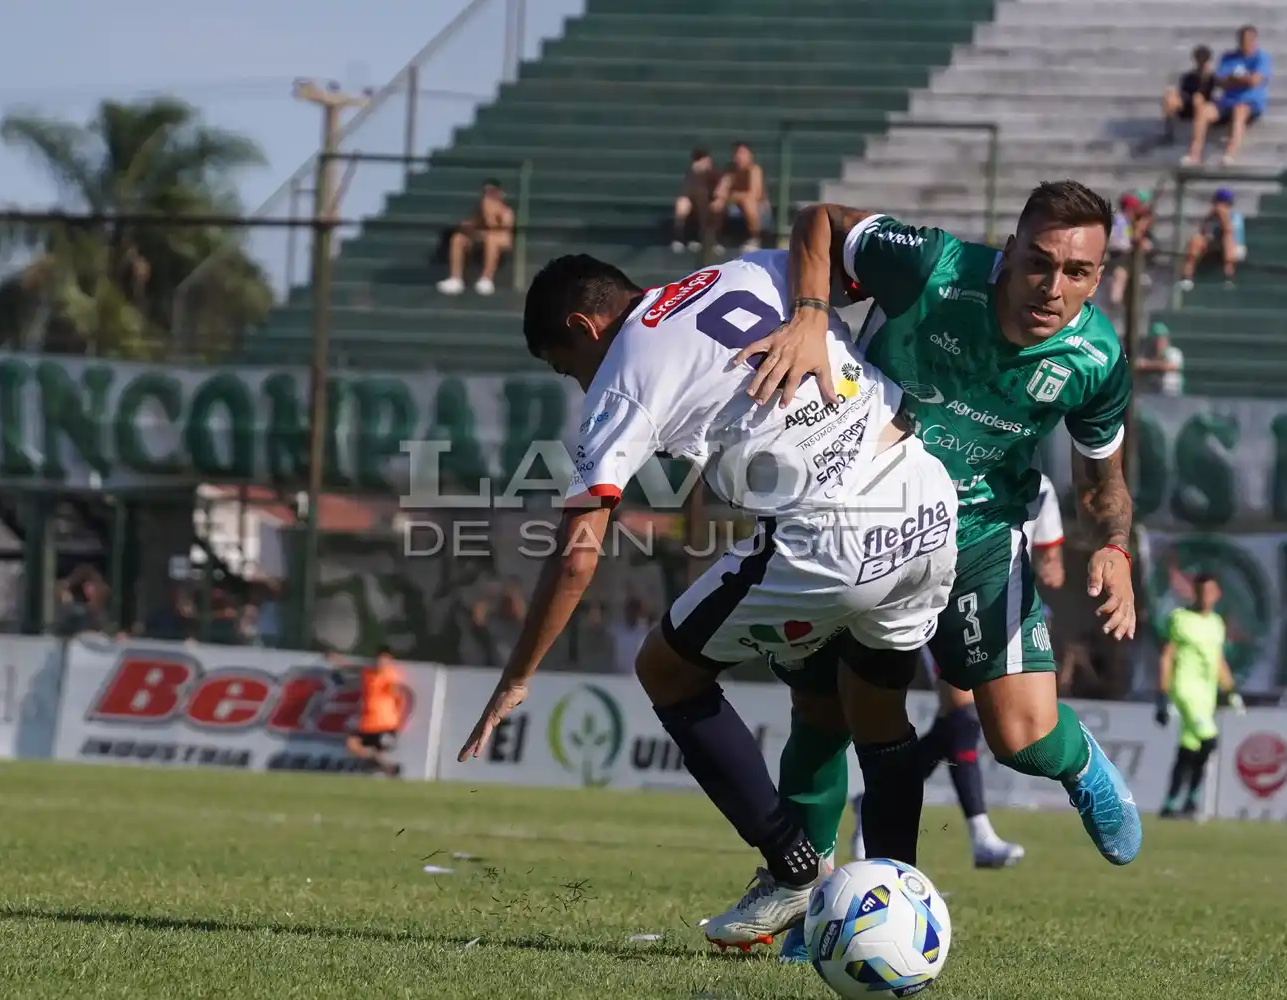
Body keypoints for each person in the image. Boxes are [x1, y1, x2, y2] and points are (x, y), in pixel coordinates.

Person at [457, 250, 960, 952]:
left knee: (666, 669)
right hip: (926, 497)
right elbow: (872, 266)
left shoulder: (626, 368)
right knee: (878, 714)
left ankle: (793, 869)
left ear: (583, 326)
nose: (582, 384)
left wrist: (517, 677)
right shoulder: (751, 270)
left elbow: (577, 554)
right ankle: (902, 909)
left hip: (830, 537)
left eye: (570, 368)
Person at [722, 182, 1141, 958]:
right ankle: (805, 900)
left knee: (1021, 737)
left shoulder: (1096, 359)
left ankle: (1080, 763)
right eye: (1039, 262)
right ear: (1009, 252)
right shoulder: (933, 268)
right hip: (854, 517)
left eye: (1077, 272)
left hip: (978, 533)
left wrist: (1114, 547)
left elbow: (1101, 481)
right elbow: (820, 219)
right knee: (822, 714)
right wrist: (811, 315)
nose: (1052, 287)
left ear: (1100, 274)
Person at [844, 473, 1064, 874]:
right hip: (941, 600)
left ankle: (875, 800)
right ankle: (981, 836)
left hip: (999, 609)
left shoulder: (1041, 487)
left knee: (956, 724)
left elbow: (1051, 557)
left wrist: (1050, 568)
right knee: (962, 714)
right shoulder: (949, 467)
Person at [1156, 573, 1244, 819]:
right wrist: (1162, 693)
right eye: (1201, 592)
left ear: (1217, 595)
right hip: (1185, 689)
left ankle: (1172, 803)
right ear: (1194, 592)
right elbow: (1167, 656)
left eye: (1209, 592)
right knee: (1210, 740)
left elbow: (1218, 660)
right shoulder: (1180, 619)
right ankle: (1192, 799)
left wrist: (1231, 690)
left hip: (1206, 695)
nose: (1205, 597)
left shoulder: (1216, 623)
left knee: (1189, 748)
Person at [1184, 26, 1271, 166]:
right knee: (1204, 110)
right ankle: (1194, 153)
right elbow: (1220, 81)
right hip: (1227, 102)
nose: (1245, 43)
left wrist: (1234, 80)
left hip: (1250, 103)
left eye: (1248, 40)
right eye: (1242, 40)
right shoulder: (1228, 57)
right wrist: (1242, 80)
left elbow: (1255, 81)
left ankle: (1229, 154)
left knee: (1240, 110)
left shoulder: (1261, 58)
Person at [436, 179, 515, 296]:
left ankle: (486, 279)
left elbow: (503, 228)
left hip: (499, 239)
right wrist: (469, 226)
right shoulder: (478, 211)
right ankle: (455, 279)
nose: (488, 195)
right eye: (486, 192)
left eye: (492, 192)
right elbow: (471, 226)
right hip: (480, 237)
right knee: (458, 239)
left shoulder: (505, 210)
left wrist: (490, 214)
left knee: (491, 239)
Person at [342, 648, 407, 777]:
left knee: (372, 752)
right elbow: (353, 668)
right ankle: (389, 768)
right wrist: (338, 661)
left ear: (389, 661)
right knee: (353, 745)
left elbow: (399, 697)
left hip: (384, 722)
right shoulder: (368, 673)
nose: (380, 663)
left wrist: (399, 719)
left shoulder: (390, 676)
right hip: (368, 722)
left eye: (384, 660)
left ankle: (387, 768)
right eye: (378, 660)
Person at [1177, 187, 1245, 292]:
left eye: (1223, 203)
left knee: (1226, 238)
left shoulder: (1234, 216)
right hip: (1216, 247)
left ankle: (1228, 276)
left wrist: (1222, 214)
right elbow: (1204, 233)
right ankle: (1187, 278)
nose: (1219, 206)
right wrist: (1210, 217)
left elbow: (1229, 231)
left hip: (1234, 248)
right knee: (1195, 240)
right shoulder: (1212, 217)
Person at [712, 141, 769, 253]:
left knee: (747, 202)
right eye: (736, 153)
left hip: (758, 209)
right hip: (733, 206)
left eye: (742, 153)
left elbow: (753, 194)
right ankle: (716, 239)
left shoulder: (754, 170)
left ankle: (754, 239)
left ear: (750, 156)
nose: (739, 157)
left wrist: (732, 196)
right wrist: (723, 191)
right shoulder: (730, 171)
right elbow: (719, 192)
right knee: (717, 204)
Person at [1161, 45, 1216, 144]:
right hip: (1188, 105)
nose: (1201, 62)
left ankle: (1198, 138)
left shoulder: (1213, 78)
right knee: (1170, 95)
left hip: (1205, 109)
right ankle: (1168, 132)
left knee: (1198, 99)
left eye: (1204, 59)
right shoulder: (1188, 77)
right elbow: (1184, 93)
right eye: (1199, 58)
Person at [672, 148, 721, 253]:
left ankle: (712, 240)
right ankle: (679, 238)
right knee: (682, 204)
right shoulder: (690, 176)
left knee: (713, 205)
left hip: (708, 205)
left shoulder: (714, 174)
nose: (707, 164)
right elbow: (685, 193)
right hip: (694, 206)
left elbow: (718, 191)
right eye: (704, 161)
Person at [1136, 321, 1185, 396]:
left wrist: (1148, 365)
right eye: (1156, 339)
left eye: (1162, 338)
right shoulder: (1145, 353)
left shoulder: (1174, 353)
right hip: (1150, 395)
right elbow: (1137, 364)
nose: (1159, 342)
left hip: (1171, 395)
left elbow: (1169, 366)